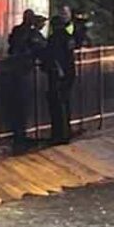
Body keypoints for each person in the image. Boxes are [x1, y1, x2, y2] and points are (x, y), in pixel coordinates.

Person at [6, 10, 47, 153]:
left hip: (15, 71)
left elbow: (11, 46)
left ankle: (20, 134)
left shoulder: (17, 31)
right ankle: (22, 136)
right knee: (23, 105)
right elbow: (41, 47)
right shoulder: (30, 34)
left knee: (18, 106)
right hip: (25, 71)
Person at [45, 14, 76, 144]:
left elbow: (52, 56)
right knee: (66, 102)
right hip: (69, 72)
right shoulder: (68, 37)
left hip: (58, 74)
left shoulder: (54, 39)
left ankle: (58, 134)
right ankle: (66, 133)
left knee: (57, 104)